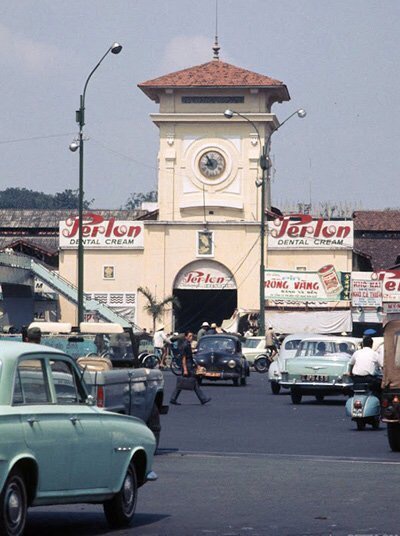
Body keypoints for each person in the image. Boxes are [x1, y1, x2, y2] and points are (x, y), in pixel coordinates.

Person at [170, 331, 211, 405]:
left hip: (189, 364)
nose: (191, 338)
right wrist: (185, 369)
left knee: (183, 383)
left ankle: (173, 398)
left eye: (191, 336)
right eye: (189, 336)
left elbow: (190, 357)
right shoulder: (185, 345)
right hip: (187, 366)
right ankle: (203, 398)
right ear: (186, 337)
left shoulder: (188, 344)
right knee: (193, 381)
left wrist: (196, 365)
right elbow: (184, 358)